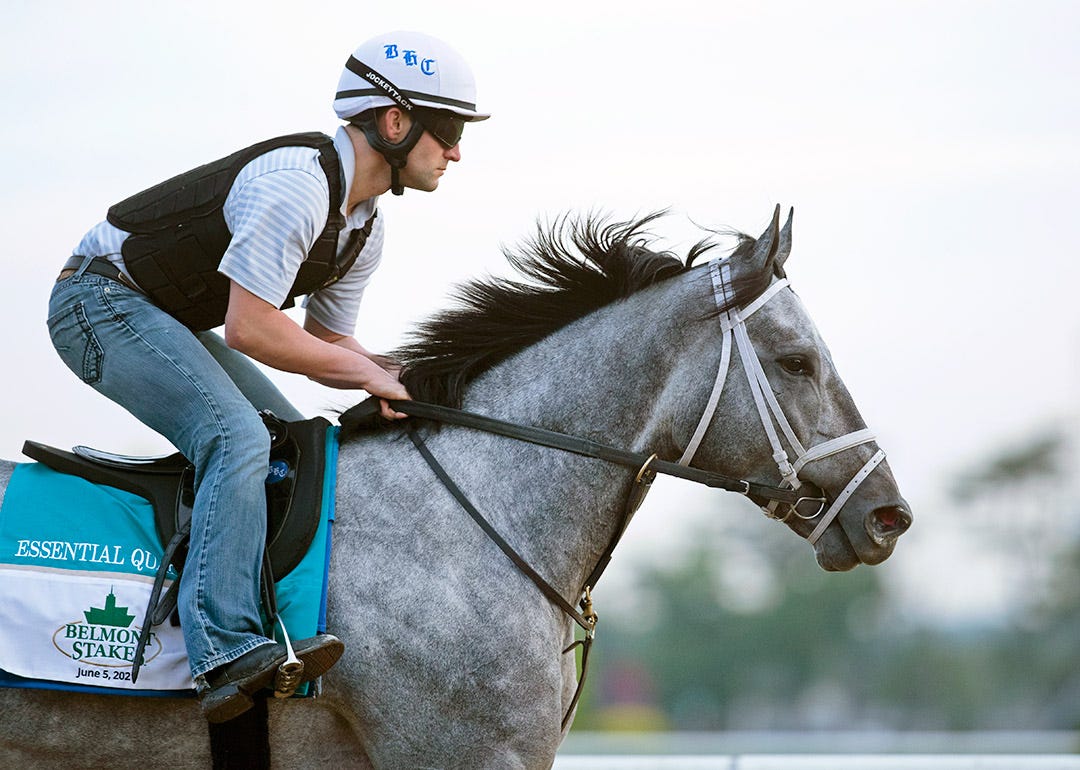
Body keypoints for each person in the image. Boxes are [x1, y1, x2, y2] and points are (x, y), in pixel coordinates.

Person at [46, 30, 489, 723]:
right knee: (238, 437)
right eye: (451, 130)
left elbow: (327, 339)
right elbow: (251, 330)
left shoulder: (364, 226)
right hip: (95, 303)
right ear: (394, 122)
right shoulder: (295, 187)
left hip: (158, 314)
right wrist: (369, 376)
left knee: (294, 438)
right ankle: (222, 650)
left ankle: (268, 615)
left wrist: (402, 376)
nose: (457, 152)